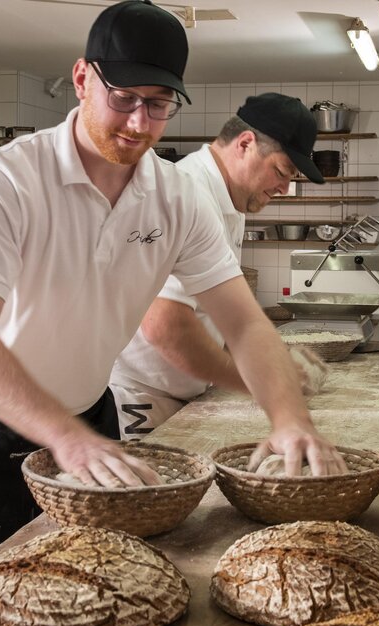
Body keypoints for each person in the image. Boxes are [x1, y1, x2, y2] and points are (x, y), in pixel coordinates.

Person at [0, 0, 346, 585]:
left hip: (91, 416)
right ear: (82, 78)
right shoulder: (9, 181)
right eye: (122, 98)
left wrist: (288, 417)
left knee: (93, 590)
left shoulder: (174, 196)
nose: (137, 123)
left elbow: (245, 324)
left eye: (158, 106)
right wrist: (66, 439)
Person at [110, 93, 328, 437]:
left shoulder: (231, 201)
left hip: (183, 391)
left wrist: (272, 358)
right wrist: (263, 382)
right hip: (139, 396)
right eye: (283, 171)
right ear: (245, 144)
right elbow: (166, 327)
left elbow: (222, 315)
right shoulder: (184, 196)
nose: (286, 188)